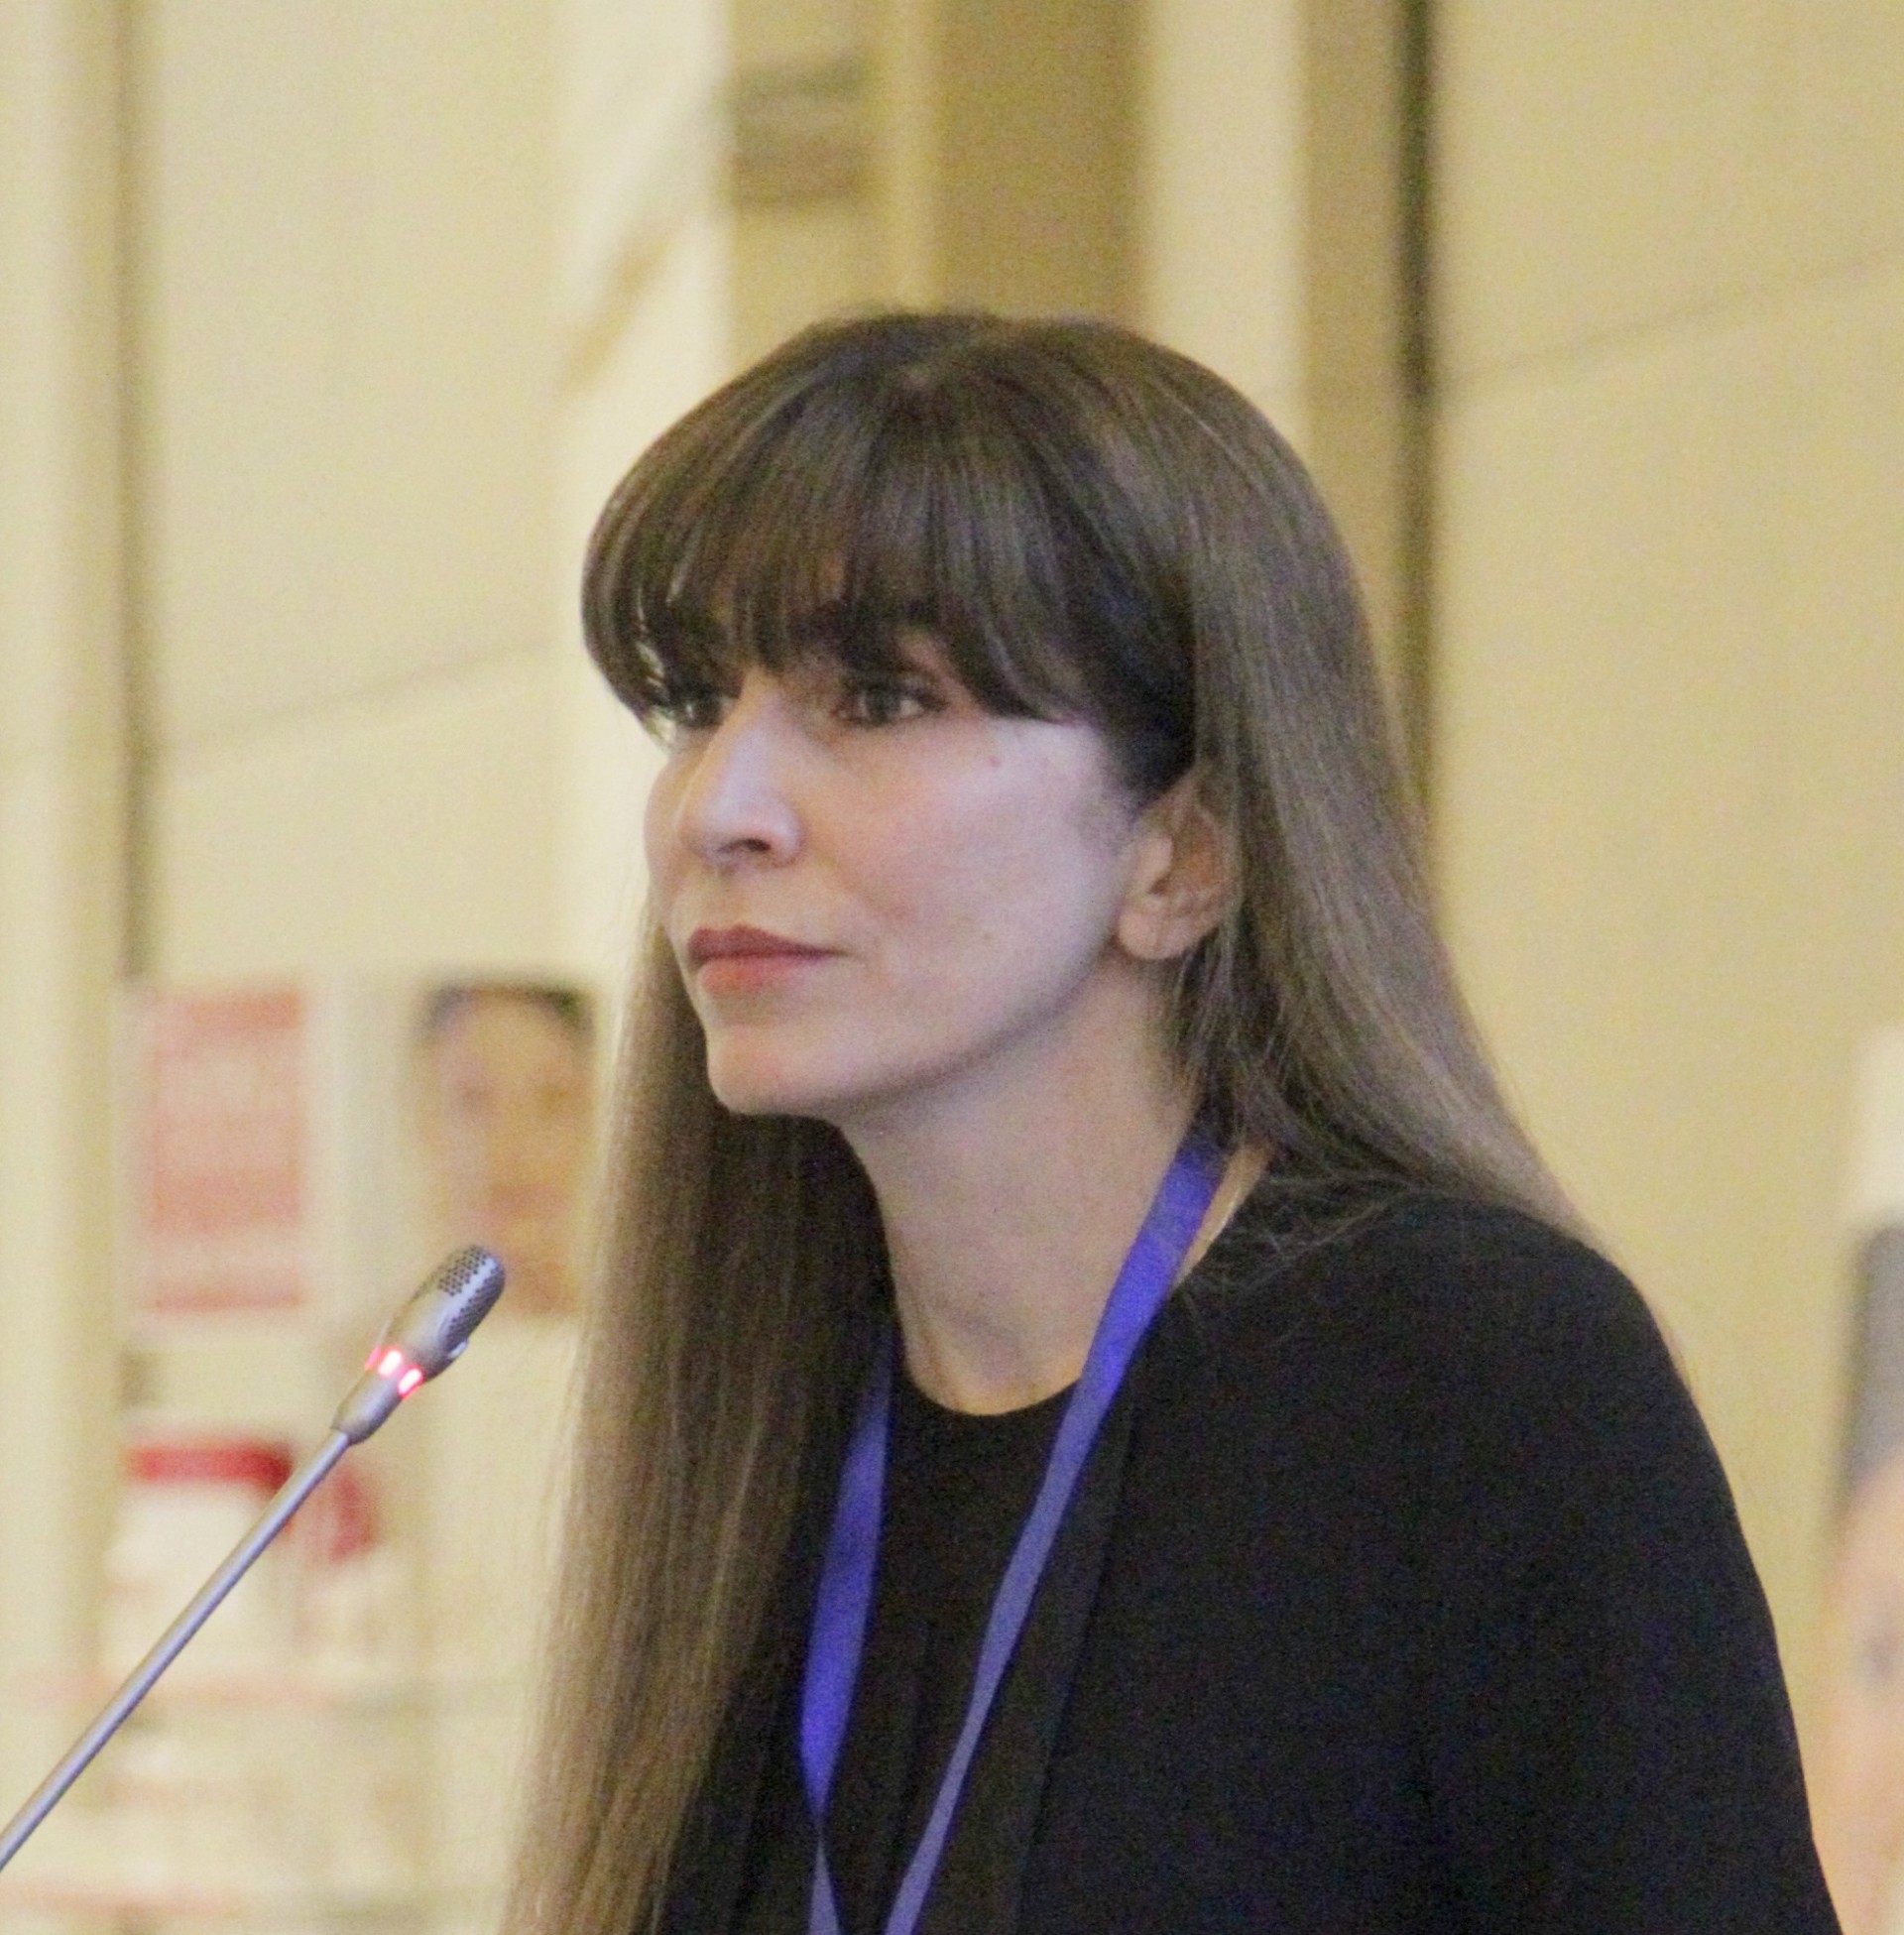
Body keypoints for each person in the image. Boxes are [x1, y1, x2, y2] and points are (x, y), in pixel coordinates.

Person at [505, 312, 1841, 1934]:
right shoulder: (751, 1419)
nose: (718, 807)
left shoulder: (1472, 1379)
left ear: (1183, 853)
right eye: (696, 702)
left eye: (877, 697)